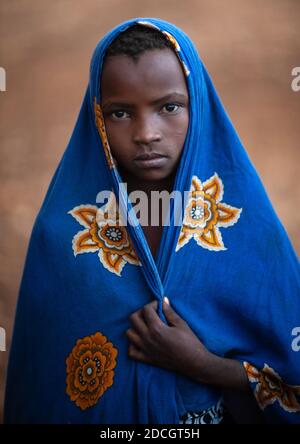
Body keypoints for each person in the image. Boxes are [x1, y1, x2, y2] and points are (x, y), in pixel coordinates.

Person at [4, 18, 300, 424]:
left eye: (169, 107)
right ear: (96, 118)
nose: (146, 133)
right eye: (121, 113)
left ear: (200, 107)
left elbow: (292, 384)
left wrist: (203, 365)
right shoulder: (62, 239)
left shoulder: (251, 234)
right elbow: (38, 390)